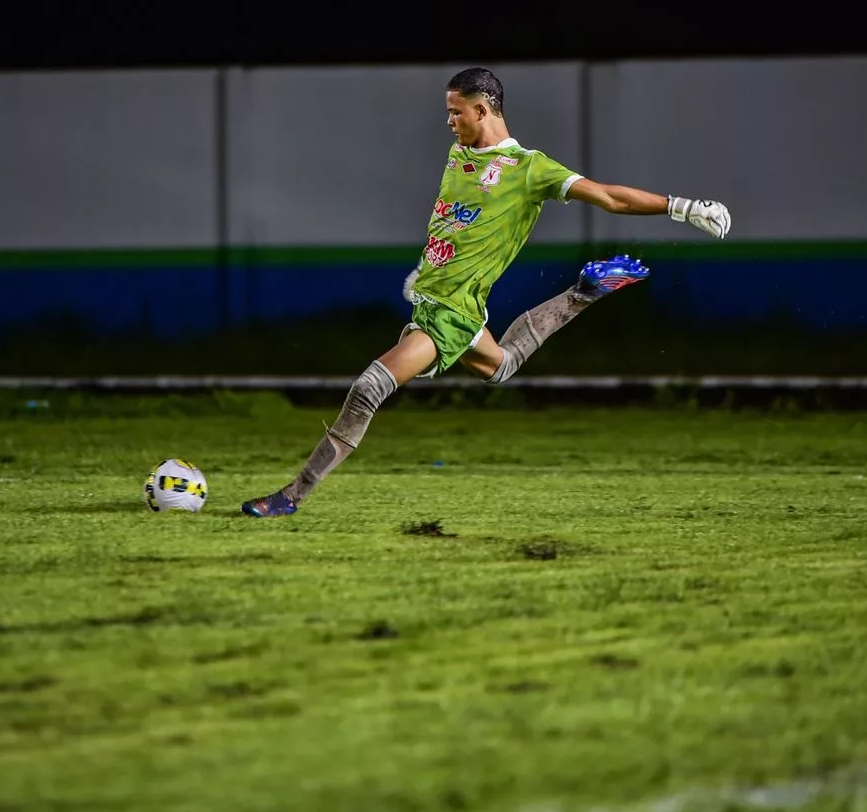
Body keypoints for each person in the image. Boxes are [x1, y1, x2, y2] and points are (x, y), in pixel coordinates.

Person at [241, 66, 730, 517]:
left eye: (456, 111)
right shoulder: (458, 155)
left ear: (483, 109)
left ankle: (291, 497)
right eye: (448, 111)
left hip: (447, 314)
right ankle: (584, 292)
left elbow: (606, 196)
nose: (449, 121)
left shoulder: (529, 168)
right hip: (443, 302)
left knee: (369, 388)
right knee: (501, 367)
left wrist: (682, 207)